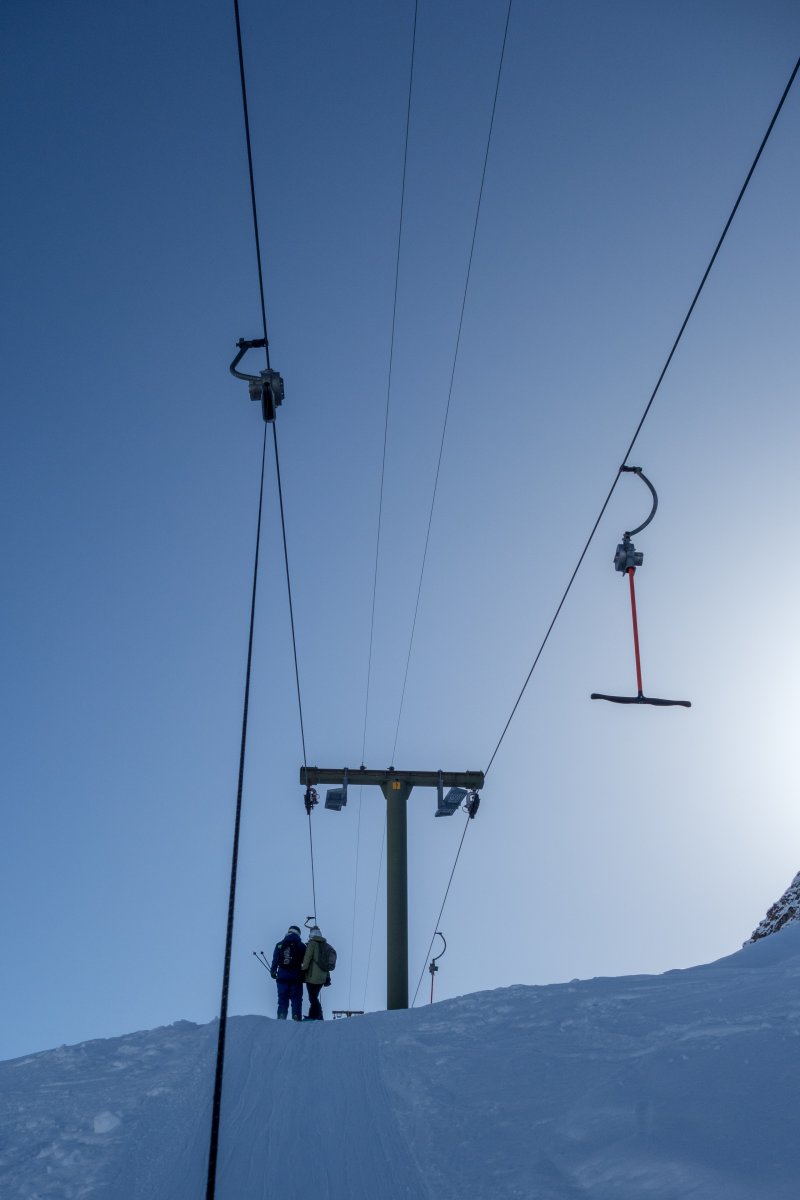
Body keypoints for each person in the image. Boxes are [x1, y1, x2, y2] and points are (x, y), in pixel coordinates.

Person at [269, 924, 306, 1021]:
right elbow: (305, 963)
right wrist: (305, 975)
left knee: (282, 997)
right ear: (298, 933)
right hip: (296, 976)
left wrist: (273, 972)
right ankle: (296, 1017)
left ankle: (281, 1016)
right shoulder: (302, 946)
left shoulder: (279, 945)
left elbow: (275, 960)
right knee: (296, 998)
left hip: (282, 975)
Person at [301, 925, 333, 1020]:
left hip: (312, 977)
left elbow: (307, 959)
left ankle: (317, 1016)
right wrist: (327, 977)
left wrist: (303, 971)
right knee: (314, 997)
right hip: (322, 978)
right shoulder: (325, 946)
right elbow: (325, 964)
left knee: (312, 998)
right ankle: (315, 1015)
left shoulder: (312, 944)